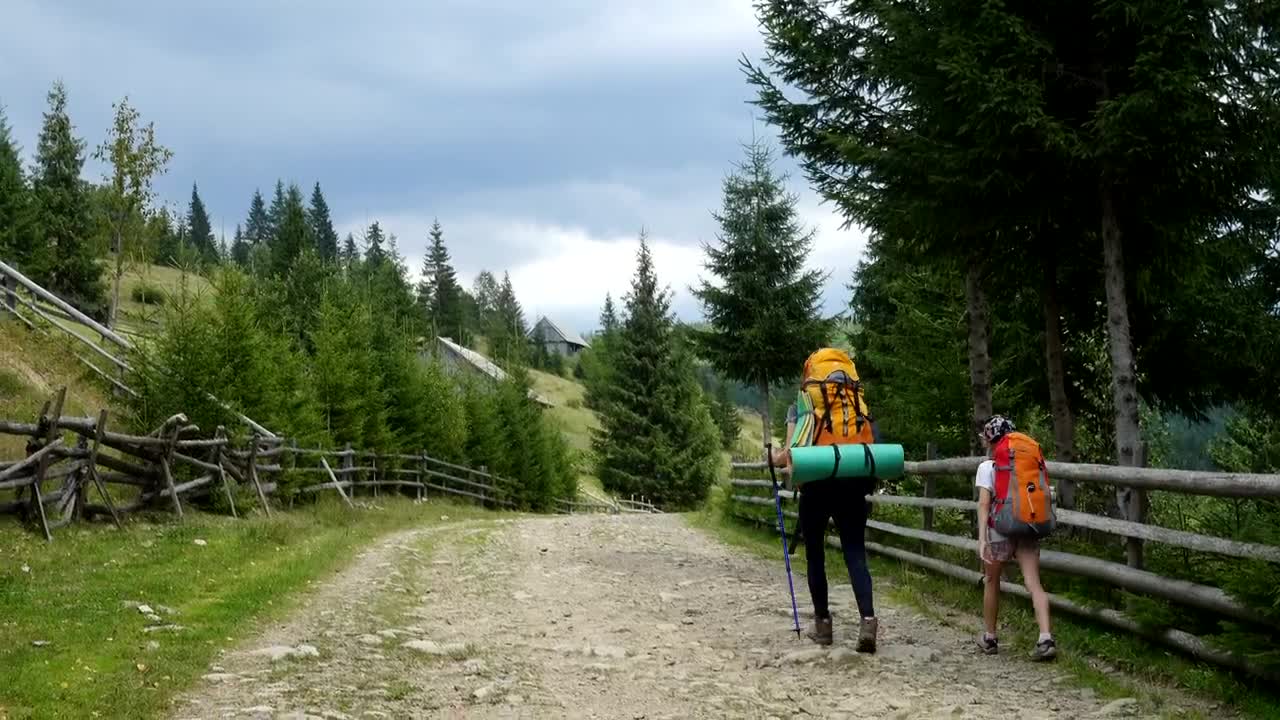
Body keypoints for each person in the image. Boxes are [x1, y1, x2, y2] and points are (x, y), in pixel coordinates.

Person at [769, 348, 879, 653]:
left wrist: (773, 457)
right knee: (855, 551)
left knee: (815, 553)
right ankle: (868, 621)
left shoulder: (803, 406)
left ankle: (823, 625)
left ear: (810, 376)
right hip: (853, 484)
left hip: (817, 487)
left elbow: (789, 455)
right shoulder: (856, 402)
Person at [974, 414, 1057, 661]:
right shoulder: (1025, 463)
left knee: (992, 581)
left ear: (990, 439)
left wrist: (982, 539)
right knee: (1034, 583)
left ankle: (990, 637)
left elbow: (983, 504)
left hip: (1000, 528)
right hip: (1028, 525)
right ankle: (1045, 637)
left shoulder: (987, 467)